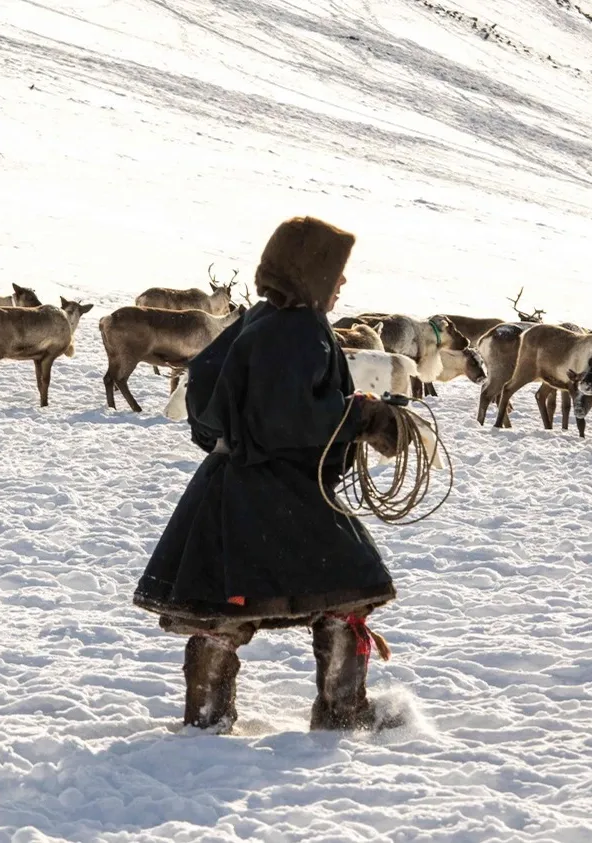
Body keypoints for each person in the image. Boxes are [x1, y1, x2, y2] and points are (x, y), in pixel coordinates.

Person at [132, 215, 404, 734]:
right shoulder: (299, 329)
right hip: (281, 490)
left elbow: (207, 392)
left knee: (224, 608)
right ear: (311, 272)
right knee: (347, 589)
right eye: (336, 272)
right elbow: (289, 416)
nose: (342, 283)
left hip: (231, 486)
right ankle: (343, 713)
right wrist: (366, 417)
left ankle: (206, 719)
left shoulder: (258, 320)